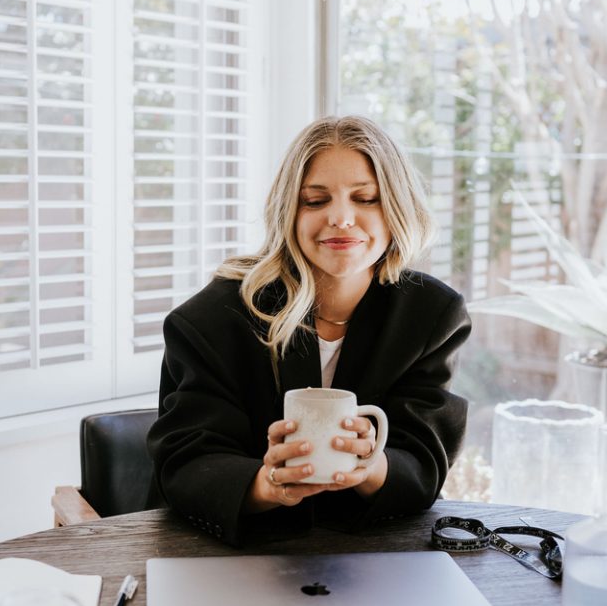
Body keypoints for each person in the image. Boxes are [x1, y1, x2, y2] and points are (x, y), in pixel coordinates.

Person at [148, 116, 471, 545]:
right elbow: (185, 464)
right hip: (230, 553)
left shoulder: (432, 315)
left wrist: (370, 465)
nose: (340, 218)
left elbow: (425, 463)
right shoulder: (214, 318)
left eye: (366, 198)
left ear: (396, 207)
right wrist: (266, 484)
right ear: (289, 212)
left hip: (374, 554)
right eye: (315, 201)